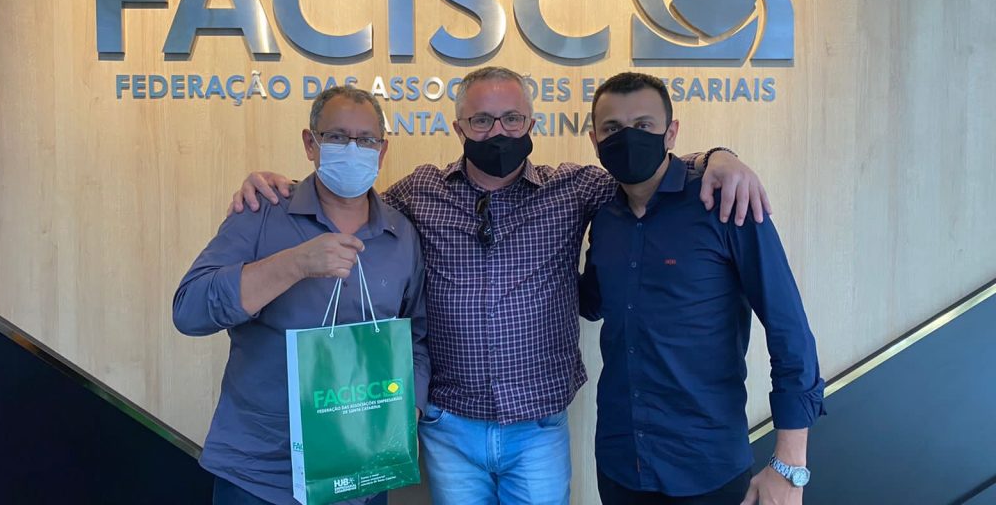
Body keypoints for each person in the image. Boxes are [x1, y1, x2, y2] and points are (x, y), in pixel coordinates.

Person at [231, 66, 772, 505]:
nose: (499, 132)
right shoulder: (418, 191)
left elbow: (646, 173)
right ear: (459, 127)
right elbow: (350, 204)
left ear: (531, 122)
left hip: (538, 423)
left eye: (512, 119)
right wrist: (282, 186)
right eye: (482, 120)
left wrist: (717, 158)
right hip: (448, 423)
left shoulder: (574, 188)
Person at [173, 86, 430, 505]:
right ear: (311, 144)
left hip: (362, 471)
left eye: (367, 140)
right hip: (261, 475)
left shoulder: (401, 234)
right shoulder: (261, 212)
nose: (353, 149)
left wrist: (407, 410)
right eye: (337, 137)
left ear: (382, 151)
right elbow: (190, 311)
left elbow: (416, 337)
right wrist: (294, 264)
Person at [579, 72, 825, 505]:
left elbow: (788, 328)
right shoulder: (603, 217)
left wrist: (790, 464)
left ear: (671, 132)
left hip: (707, 466)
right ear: (595, 140)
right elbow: (594, 303)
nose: (628, 138)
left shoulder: (726, 201)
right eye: (612, 128)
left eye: (643, 125)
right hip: (621, 463)